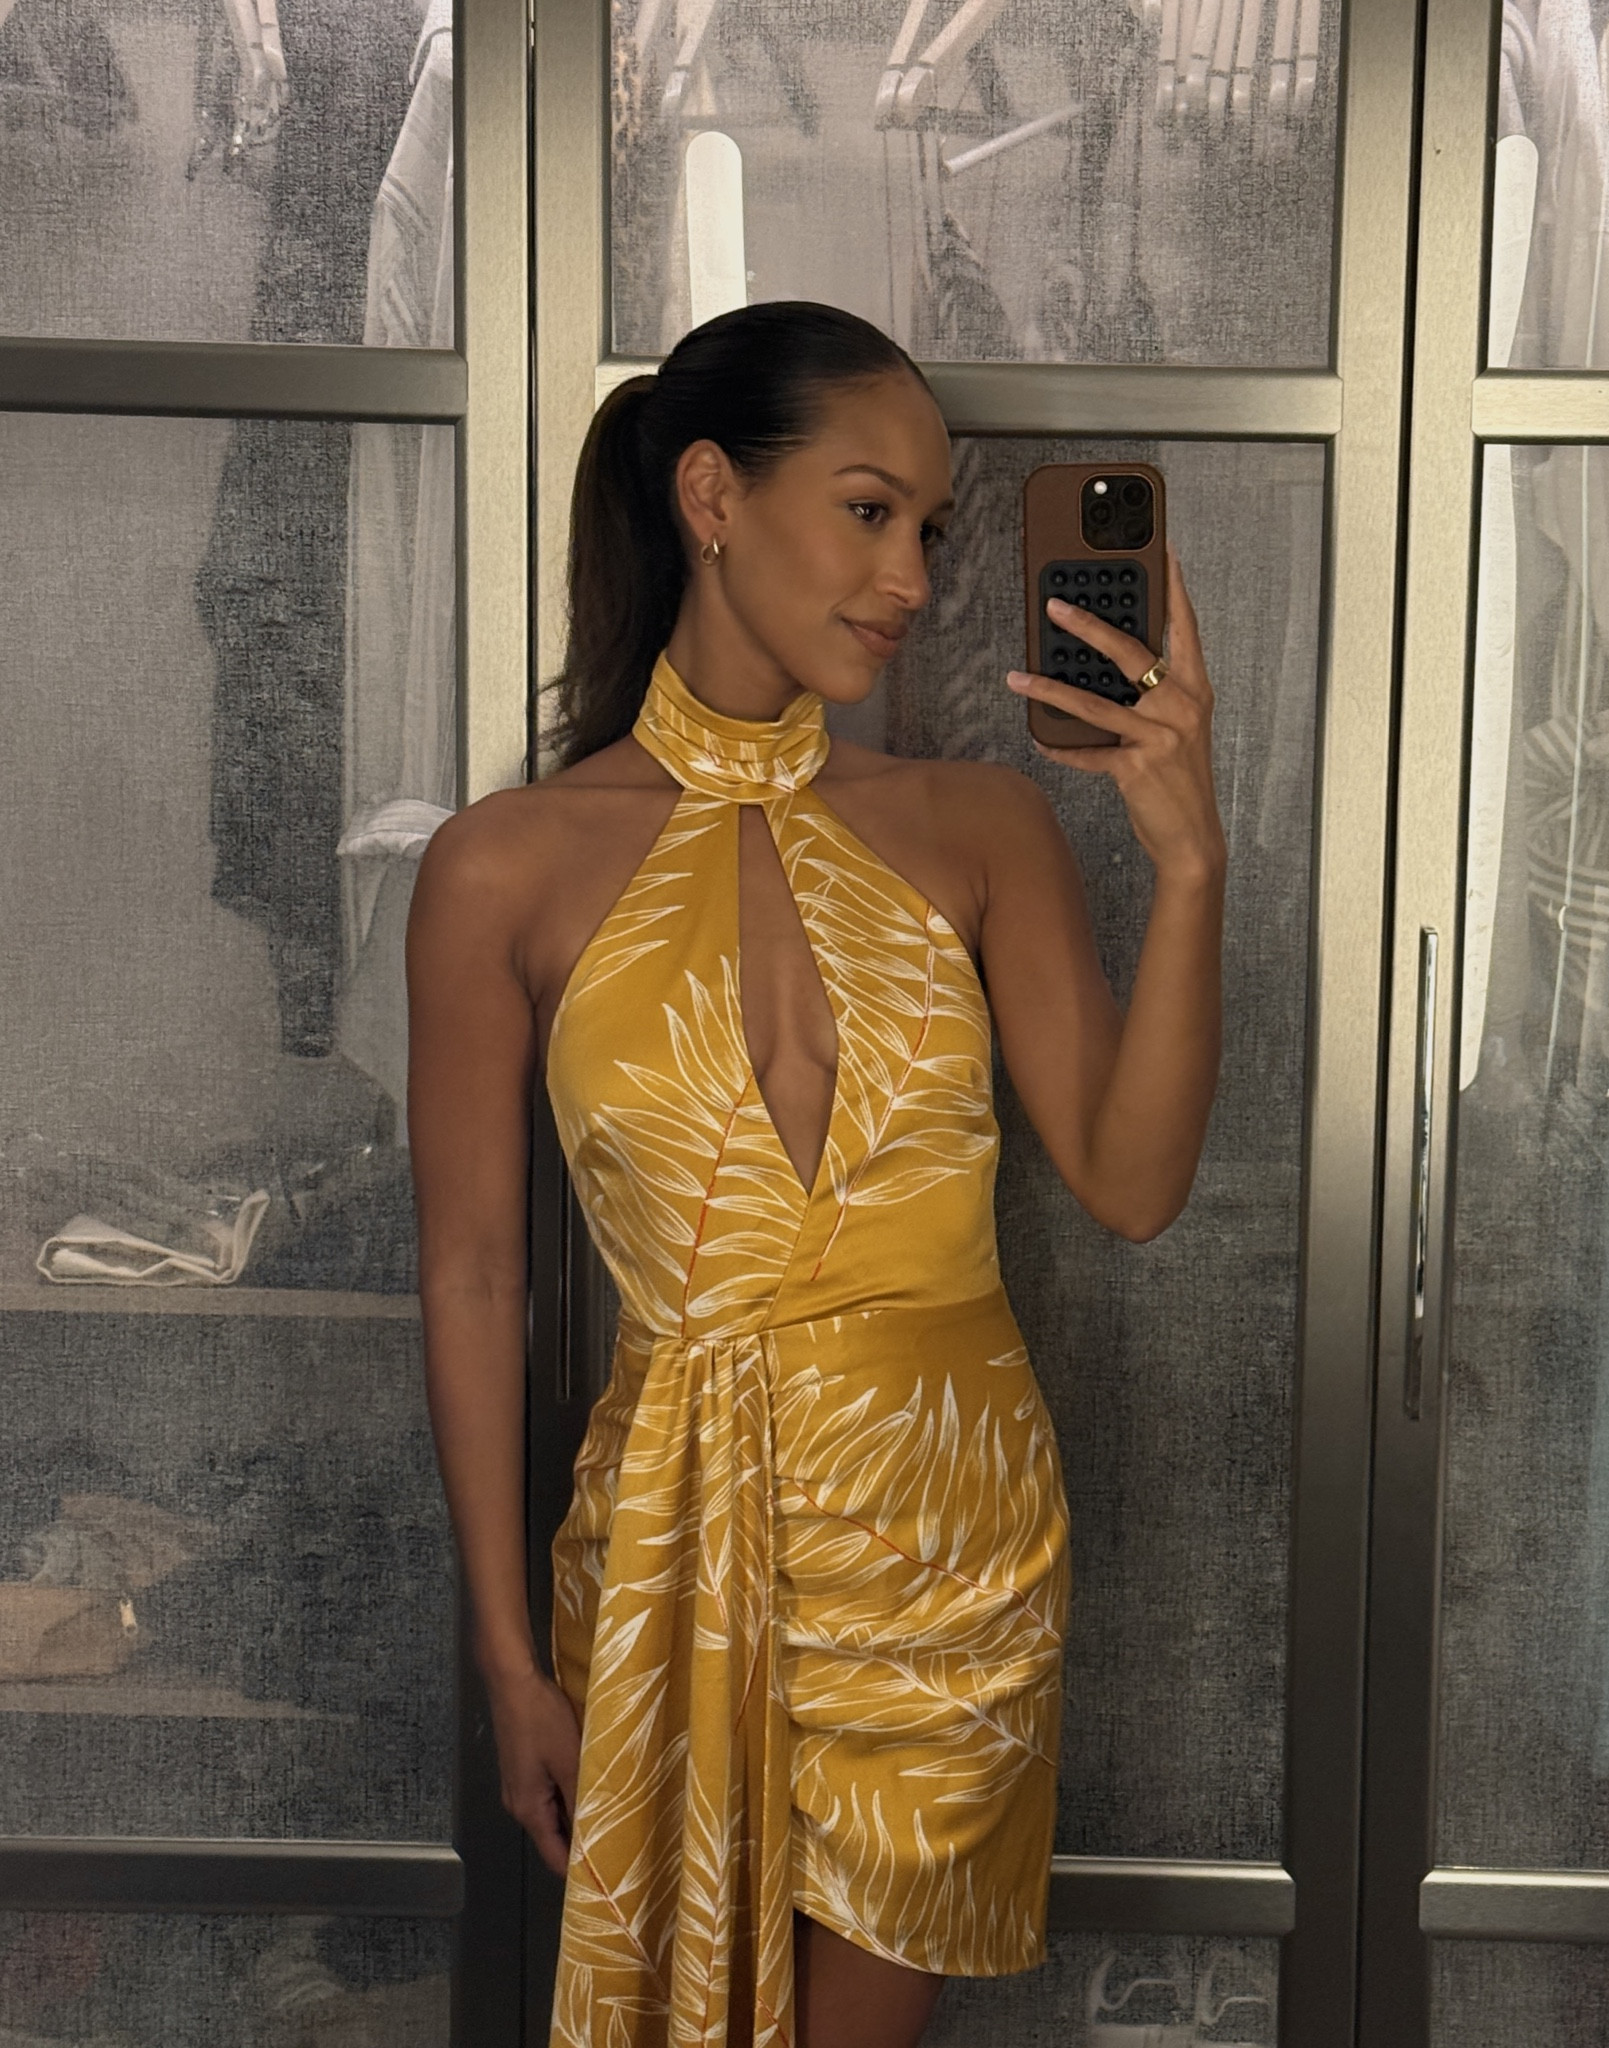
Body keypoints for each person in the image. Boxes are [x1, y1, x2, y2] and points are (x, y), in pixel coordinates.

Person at [407, 301, 1225, 2048]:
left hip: (948, 1543)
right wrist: (505, 1655)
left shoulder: (980, 827)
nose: (912, 577)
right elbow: (473, 1273)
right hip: (668, 1540)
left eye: (930, 528)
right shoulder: (500, 869)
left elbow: (1135, 1183)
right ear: (712, 494)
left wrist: (1189, 866)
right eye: (869, 512)